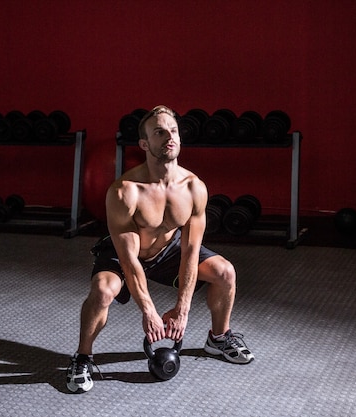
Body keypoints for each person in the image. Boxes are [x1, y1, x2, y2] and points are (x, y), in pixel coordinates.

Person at [66, 105, 254, 393]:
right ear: (144, 143)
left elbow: (191, 252)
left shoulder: (194, 188)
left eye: (174, 130)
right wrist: (149, 312)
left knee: (225, 272)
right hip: (125, 253)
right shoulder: (125, 191)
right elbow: (129, 261)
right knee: (103, 290)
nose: (170, 136)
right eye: (160, 132)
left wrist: (182, 309)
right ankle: (83, 356)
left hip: (169, 251)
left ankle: (218, 337)